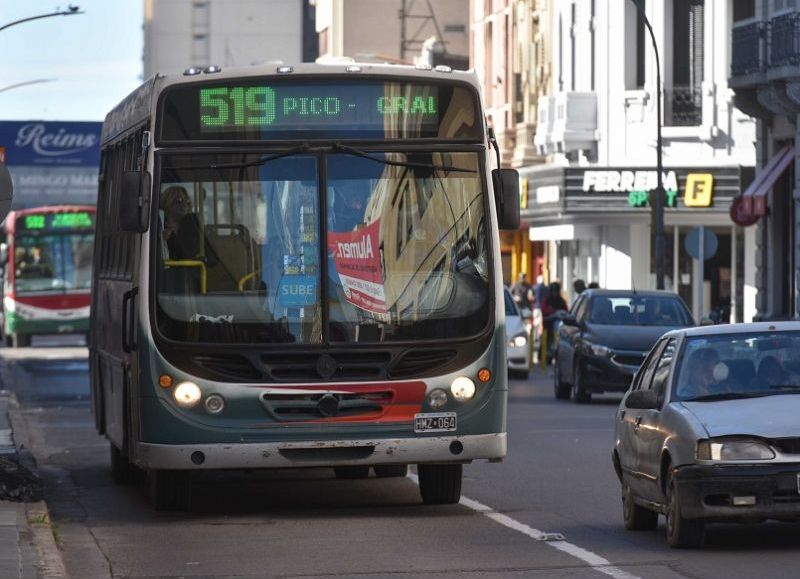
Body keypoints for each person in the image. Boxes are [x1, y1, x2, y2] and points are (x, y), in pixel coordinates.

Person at [160, 185, 193, 259]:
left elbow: (187, 255)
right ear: (167, 202)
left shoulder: (192, 229)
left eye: (187, 201)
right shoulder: (157, 226)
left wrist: (172, 238)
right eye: (179, 201)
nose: (184, 205)